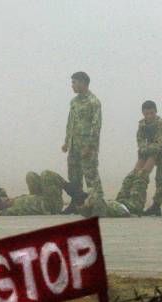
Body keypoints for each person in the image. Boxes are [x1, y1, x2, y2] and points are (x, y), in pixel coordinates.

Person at [62, 71, 103, 214]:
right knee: (74, 176)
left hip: (87, 146)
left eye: (74, 82)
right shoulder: (74, 102)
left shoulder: (93, 102)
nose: (72, 85)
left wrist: (89, 146)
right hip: (74, 146)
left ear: (83, 83)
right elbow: (70, 122)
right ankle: (76, 202)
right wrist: (67, 141)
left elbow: (96, 125)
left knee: (91, 176)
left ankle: (97, 204)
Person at [0, 170, 66, 216]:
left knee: (30, 175)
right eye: (3, 199)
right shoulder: (14, 209)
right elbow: (8, 212)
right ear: (3, 204)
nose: (5, 198)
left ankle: (68, 187)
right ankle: (69, 188)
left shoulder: (14, 201)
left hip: (41, 196)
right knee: (46, 174)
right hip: (51, 204)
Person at [79, 169, 150, 218]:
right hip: (131, 207)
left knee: (129, 179)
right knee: (141, 179)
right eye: (89, 200)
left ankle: (143, 157)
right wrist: (90, 197)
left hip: (120, 202)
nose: (88, 199)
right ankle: (153, 153)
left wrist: (85, 205)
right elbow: (96, 196)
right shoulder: (99, 210)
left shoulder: (100, 206)